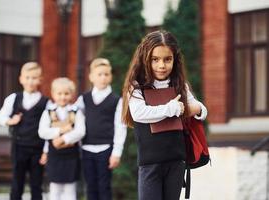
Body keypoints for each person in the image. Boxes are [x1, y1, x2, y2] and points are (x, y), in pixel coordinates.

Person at [121, 30, 208, 200]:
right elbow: (139, 114)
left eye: (167, 59)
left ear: (175, 60)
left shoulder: (179, 84)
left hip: (176, 160)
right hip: (150, 162)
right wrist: (171, 109)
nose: (162, 65)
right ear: (145, 58)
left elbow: (201, 109)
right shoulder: (137, 86)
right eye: (155, 59)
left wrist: (195, 109)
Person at [74, 58, 127, 200]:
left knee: (104, 187)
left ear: (110, 76)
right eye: (99, 74)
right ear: (91, 76)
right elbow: (74, 119)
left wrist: (116, 152)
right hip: (86, 149)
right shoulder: (83, 99)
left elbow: (120, 126)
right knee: (90, 187)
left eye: (106, 74)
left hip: (106, 149)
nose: (103, 78)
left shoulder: (116, 100)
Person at [0, 62, 49, 200]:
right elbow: (1, 117)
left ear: (40, 80)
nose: (30, 81)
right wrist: (10, 121)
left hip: (37, 148)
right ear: (21, 79)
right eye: (27, 77)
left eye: (34, 78)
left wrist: (46, 150)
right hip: (19, 146)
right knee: (17, 182)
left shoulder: (46, 103)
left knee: (36, 184)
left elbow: (49, 127)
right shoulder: (13, 98)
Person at [38, 77, 85, 200]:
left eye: (66, 94)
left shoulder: (76, 112)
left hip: (71, 155)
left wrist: (64, 139)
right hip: (54, 155)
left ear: (71, 94)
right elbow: (42, 132)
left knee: (70, 188)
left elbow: (80, 132)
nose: (62, 97)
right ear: (53, 94)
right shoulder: (48, 112)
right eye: (59, 94)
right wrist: (60, 130)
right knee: (55, 188)